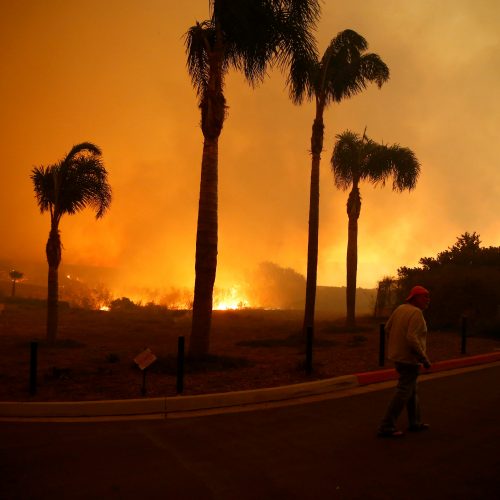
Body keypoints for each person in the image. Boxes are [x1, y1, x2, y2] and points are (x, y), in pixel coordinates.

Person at [377, 285, 432, 438]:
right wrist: (424, 358)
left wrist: (395, 345)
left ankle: (415, 423)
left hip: (399, 358)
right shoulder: (416, 313)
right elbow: (412, 338)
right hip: (410, 360)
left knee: (411, 391)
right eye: (424, 296)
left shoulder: (400, 309)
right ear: (414, 298)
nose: (428, 299)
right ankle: (386, 425)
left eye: (428, 296)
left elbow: (387, 328)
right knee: (403, 392)